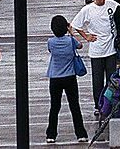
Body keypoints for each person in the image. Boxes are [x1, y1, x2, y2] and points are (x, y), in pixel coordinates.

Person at [71, 0, 119, 103]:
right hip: (96, 51)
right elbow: (75, 25)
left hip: (111, 50)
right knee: (97, 81)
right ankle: (98, 105)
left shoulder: (113, 5)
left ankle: (111, 103)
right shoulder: (87, 9)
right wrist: (86, 36)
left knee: (111, 80)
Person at [45, 14, 88, 144]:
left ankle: (51, 134)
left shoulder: (50, 42)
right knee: (74, 105)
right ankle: (81, 133)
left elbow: (50, 51)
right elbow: (80, 46)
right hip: (70, 76)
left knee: (54, 106)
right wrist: (71, 32)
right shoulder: (70, 41)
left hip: (55, 77)